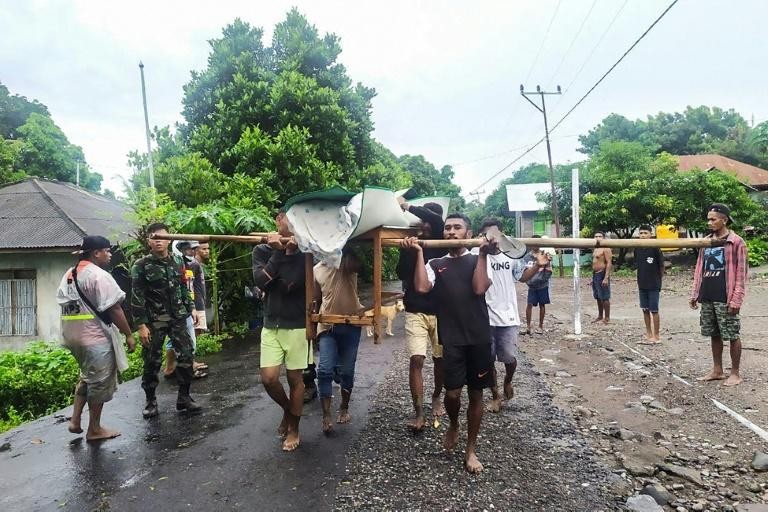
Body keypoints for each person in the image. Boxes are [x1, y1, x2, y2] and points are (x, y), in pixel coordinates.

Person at [404, 212, 494, 474]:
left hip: (478, 338)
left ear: (468, 234)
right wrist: (419, 252)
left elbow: (478, 288)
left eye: (457, 228)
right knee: (452, 394)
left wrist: (484, 254)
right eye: (447, 228)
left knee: (476, 393)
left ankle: (471, 449)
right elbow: (421, 288)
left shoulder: (478, 258)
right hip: (451, 338)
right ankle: (454, 424)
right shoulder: (436, 263)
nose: (451, 232)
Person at [56, 235, 136, 441]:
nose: (110, 255)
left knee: (86, 375)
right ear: (96, 253)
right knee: (99, 382)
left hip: (73, 337)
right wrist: (128, 334)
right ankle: (95, 429)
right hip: (95, 338)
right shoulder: (98, 276)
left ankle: (75, 421)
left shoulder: (69, 274)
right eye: (107, 251)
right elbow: (115, 308)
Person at [252, 210, 309, 451]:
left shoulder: (306, 251)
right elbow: (260, 281)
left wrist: (290, 253)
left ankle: (294, 428)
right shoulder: (262, 250)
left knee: (295, 379)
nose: (293, 224)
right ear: (278, 220)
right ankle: (288, 410)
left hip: (296, 324)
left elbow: (291, 284)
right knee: (269, 378)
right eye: (289, 218)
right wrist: (277, 253)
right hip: (271, 323)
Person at [476, 219, 546, 413]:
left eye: (495, 233)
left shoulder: (512, 256)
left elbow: (522, 277)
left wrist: (538, 266)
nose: (491, 237)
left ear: (502, 235)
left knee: (509, 357)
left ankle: (508, 381)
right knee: (487, 360)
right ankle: (495, 395)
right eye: (487, 234)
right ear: (482, 236)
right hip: (485, 317)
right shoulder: (478, 256)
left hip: (508, 316)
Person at [132, 223, 201, 418]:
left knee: (187, 355)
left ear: (169, 239)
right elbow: (137, 296)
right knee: (152, 360)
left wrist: (192, 307)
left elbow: (182, 287)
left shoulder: (178, 261)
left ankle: (184, 398)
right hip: (154, 320)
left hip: (178, 316)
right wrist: (141, 325)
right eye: (154, 238)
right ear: (148, 241)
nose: (158, 241)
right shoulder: (141, 265)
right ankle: (150, 400)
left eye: (162, 237)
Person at [396, 198, 445, 431]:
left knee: (440, 360)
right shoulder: (413, 241)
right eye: (421, 222)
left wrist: (406, 205)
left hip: (442, 311)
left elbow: (436, 219)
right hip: (415, 309)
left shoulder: (444, 243)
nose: (424, 225)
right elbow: (400, 273)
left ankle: (436, 396)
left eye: (427, 222)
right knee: (416, 359)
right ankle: (419, 412)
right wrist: (408, 251)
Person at [689, 203, 748, 387]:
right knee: (714, 333)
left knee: (732, 334)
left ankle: (735, 373)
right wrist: (695, 292)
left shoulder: (736, 242)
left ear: (724, 219)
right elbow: (700, 268)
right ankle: (717, 370)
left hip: (726, 295)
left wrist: (736, 298)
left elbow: (741, 273)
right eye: (708, 219)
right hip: (708, 294)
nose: (709, 222)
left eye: (713, 219)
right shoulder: (706, 242)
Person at [314, 249, 364, 434]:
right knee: (325, 370)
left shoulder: (345, 261)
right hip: (328, 325)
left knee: (347, 371)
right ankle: (326, 414)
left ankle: (344, 407)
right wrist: (312, 328)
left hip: (352, 324)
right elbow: (316, 299)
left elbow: (358, 266)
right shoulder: (316, 269)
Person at [163, 240, 208, 379]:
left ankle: (185, 365)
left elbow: (189, 288)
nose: (192, 252)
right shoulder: (173, 265)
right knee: (184, 340)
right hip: (176, 309)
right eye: (189, 249)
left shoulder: (191, 264)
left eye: (193, 249)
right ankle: (181, 369)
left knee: (187, 338)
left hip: (188, 306)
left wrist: (195, 306)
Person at [635, 225, 664, 343]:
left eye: (645, 233)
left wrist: (658, 280)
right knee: (645, 309)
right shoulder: (636, 248)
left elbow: (661, 266)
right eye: (641, 233)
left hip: (653, 284)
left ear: (650, 234)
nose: (643, 235)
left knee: (654, 310)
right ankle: (648, 333)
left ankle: (657, 335)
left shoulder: (655, 248)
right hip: (642, 284)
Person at [523, 235, 553, 335]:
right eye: (533, 242)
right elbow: (524, 271)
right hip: (531, 286)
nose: (535, 245)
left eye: (537, 242)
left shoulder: (545, 255)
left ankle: (540, 326)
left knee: (542, 305)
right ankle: (528, 326)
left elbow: (548, 271)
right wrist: (529, 281)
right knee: (529, 304)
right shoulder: (527, 257)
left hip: (542, 285)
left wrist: (541, 280)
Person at [591, 231, 612, 324]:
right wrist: (592, 278)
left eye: (600, 236)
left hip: (602, 273)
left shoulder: (606, 248)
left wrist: (606, 277)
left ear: (603, 238)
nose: (598, 238)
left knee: (605, 296)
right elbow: (594, 262)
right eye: (596, 236)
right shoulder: (595, 248)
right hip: (595, 274)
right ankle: (600, 316)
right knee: (598, 296)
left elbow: (609, 262)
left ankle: (607, 318)